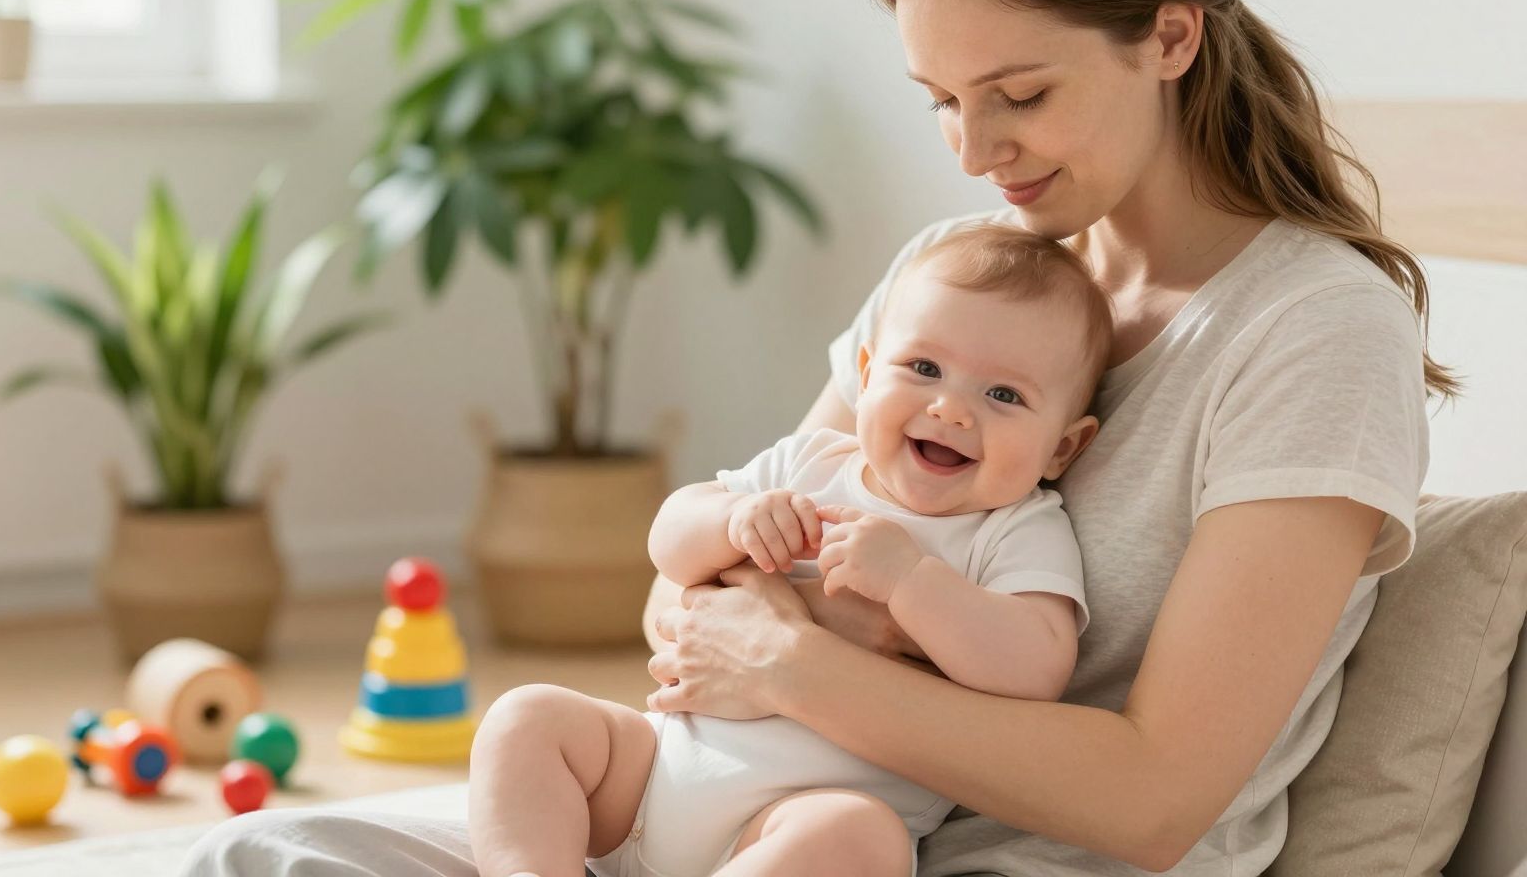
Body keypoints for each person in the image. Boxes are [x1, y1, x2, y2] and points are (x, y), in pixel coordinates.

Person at [177, 0, 1448, 873]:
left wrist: (797, 661)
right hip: (733, 807)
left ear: (1170, 37)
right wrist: (750, 617)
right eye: (942, 99)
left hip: (979, 853)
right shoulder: (957, 271)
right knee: (263, 851)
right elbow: (695, 597)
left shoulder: (1316, 331)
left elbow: (1155, 802)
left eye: (1019, 94)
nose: (974, 151)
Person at [468, 222, 1112, 877]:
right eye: (924, 369)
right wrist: (731, 519)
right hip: (645, 777)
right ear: (866, 375)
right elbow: (669, 543)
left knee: (863, 838)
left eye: (1003, 395)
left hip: (786, 824)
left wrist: (912, 580)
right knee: (527, 716)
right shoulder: (811, 461)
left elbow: (1034, 668)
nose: (950, 409)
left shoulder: (1017, 530)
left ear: (1062, 447)